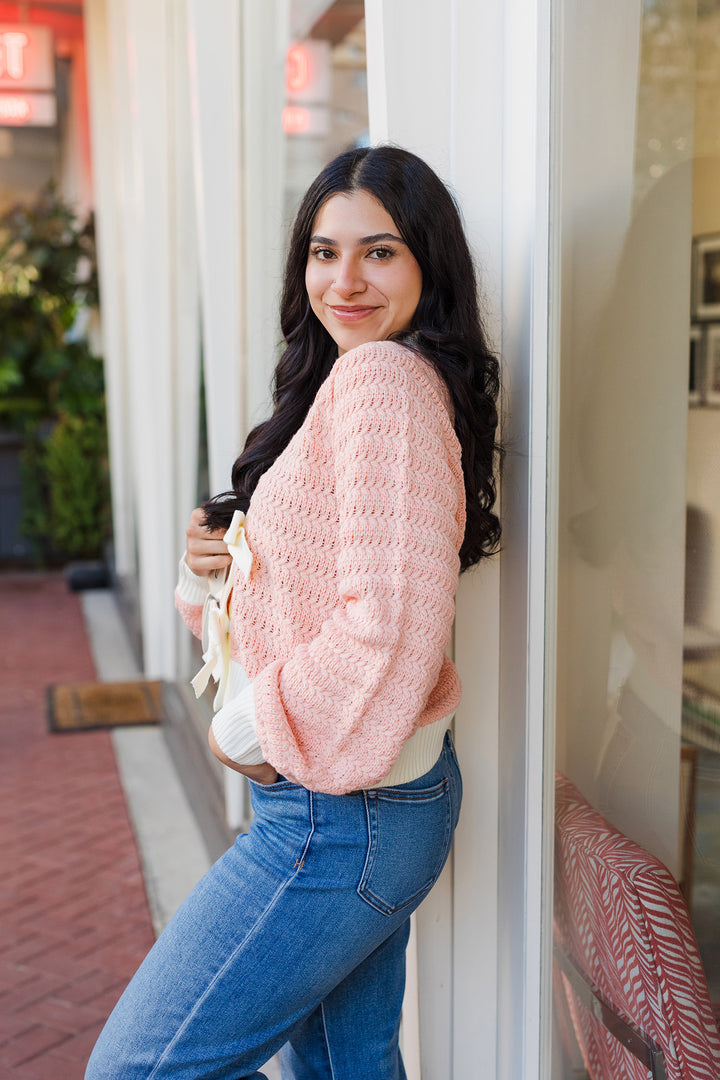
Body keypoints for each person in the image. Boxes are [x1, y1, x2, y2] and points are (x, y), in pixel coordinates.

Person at [85, 145, 500, 1080]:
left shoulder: (382, 384)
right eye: (323, 252)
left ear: (429, 264)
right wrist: (216, 564)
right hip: (367, 805)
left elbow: (387, 621)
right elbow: (325, 582)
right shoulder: (357, 379)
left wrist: (244, 724)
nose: (343, 279)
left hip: (337, 818)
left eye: (379, 252)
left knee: (135, 1069)